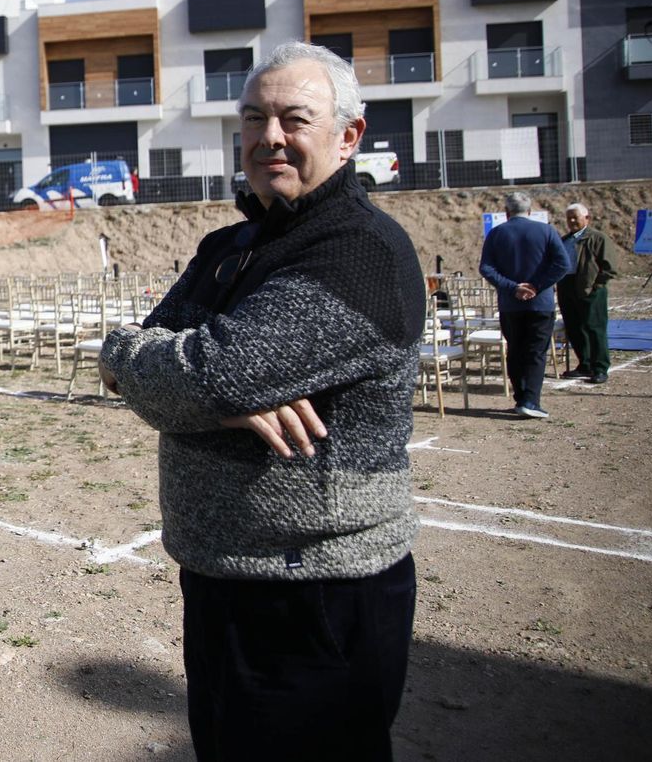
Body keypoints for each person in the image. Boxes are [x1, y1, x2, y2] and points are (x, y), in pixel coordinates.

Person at [96, 41, 426, 761]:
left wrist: (195, 382)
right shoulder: (230, 244)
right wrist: (169, 372)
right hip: (222, 574)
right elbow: (146, 358)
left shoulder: (358, 253)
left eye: (293, 119)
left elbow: (207, 373)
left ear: (349, 135)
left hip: (317, 592)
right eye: (253, 119)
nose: (269, 137)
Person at [479, 192, 575, 419]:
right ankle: (531, 400)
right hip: (540, 303)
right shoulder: (547, 231)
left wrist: (513, 287)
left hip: (510, 304)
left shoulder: (496, 233)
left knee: (515, 350)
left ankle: (521, 398)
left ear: (506, 212)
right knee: (536, 352)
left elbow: (486, 268)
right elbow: (563, 264)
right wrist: (536, 285)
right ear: (530, 211)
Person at [559, 202, 618, 383]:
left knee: (594, 328)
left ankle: (600, 367)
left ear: (587, 218)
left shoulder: (597, 238)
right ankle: (584, 364)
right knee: (575, 327)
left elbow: (609, 267)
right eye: (569, 218)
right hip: (567, 286)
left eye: (575, 217)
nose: (571, 221)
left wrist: (595, 285)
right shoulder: (565, 240)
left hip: (590, 288)